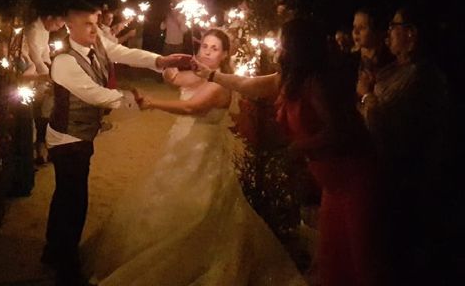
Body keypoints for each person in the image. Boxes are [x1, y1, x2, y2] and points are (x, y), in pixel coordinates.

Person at [83, 29, 305, 286]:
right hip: (181, 143)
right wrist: (167, 65)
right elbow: (176, 78)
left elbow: (192, 107)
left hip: (202, 152)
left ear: (224, 55)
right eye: (205, 46)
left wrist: (153, 102)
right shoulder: (199, 75)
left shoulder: (219, 84)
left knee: (199, 207)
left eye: (214, 49)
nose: (207, 52)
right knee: (162, 196)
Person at [193, 19, 381, 286]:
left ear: (296, 47)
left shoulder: (316, 83)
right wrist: (211, 74)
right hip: (333, 185)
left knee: (363, 262)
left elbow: (342, 129)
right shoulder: (292, 79)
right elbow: (248, 84)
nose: (278, 48)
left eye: (283, 42)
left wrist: (296, 147)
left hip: (353, 179)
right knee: (334, 258)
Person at [41, 0, 191, 286]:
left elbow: (126, 53)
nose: (93, 29)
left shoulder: (98, 45)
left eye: (96, 22)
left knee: (66, 195)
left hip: (81, 135)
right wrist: (133, 100)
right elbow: (94, 94)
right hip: (66, 138)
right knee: (75, 199)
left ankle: (53, 250)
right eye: (86, 23)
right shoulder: (64, 61)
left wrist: (161, 61)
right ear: (69, 26)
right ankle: (66, 266)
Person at [359, 5, 448, 285]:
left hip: (406, 182)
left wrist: (366, 97)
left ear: (410, 34)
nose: (388, 34)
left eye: (393, 27)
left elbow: (383, 125)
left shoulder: (421, 78)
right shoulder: (397, 70)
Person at [25, 9, 65, 164]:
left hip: (42, 74)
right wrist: (48, 75)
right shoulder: (33, 30)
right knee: (39, 109)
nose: (57, 29)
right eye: (57, 24)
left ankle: (46, 145)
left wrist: (52, 68)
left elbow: (45, 55)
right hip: (31, 74)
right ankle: (39, 147)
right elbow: (35, 56)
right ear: (49, 17)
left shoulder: (45, 30)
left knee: (48, 107)